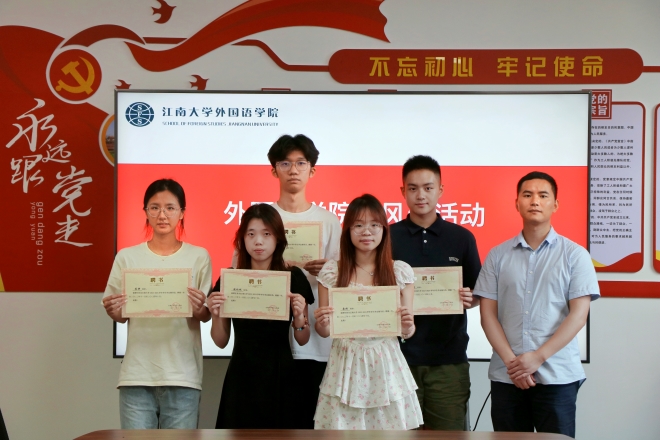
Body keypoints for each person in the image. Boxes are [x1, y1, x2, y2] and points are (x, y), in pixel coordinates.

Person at [474, 171, 600, 438]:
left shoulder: (575, 255)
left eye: (543, 195)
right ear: (517, 203)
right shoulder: (497, 255)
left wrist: (538, 358)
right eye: (527, 195)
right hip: (507, 377)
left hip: (557, 376)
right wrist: (514, 365)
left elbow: (579, 316)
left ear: (555, 204)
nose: (535, 201)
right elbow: (487, 316)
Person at [102, 178, 212, 429]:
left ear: (182, 212)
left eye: (170, 208)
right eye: (155, 207)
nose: (162, 215)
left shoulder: (199, 256)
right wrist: (114, 312)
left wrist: (199, 308)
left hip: (182, 375)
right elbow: (120, 314)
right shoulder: (127, 257)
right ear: (146, 212)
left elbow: (205, 314)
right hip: (137, 375)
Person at [313, 194, 423, 430]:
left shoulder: (399, 272)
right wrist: (322, 322)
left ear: (384, 229)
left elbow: (408, 330)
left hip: (386, 363)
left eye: (374, 225)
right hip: (345, 363)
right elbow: (325, 331)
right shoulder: (332, 272)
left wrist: (407, 326)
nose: (367, 232)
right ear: (348, 230)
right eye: (358, 225)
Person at [390, 155, 481, 430]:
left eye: (428, 188)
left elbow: (478, 294)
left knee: (448, 434)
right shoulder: (387, 237)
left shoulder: (461, 238)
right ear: (403, 191)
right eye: (413, 188)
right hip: (397, 359)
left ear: (440, 190)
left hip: (448, 361)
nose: (421, 195)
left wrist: (471, 298)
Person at [208, 203, 314, 429]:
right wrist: (216, 314)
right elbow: (220, 341)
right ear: (242, 239)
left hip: (281, 375)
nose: (258, 241)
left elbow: (303, 339)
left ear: (278, 239)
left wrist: (299, 317)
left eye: (266, 234)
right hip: (241, 375)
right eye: (251, 234)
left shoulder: (293, 277)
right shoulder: (231, 279)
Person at [266, 134, 342, 428]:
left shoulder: (329, 220)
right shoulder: (262, 218)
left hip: (317, 343)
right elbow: (241, 272)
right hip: (272, 341)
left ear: (312, 170)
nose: (293, 170)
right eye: (285, 163)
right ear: (274, 170)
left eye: (301, 163)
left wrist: (331, 269)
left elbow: (345, 281)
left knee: (314, 426)